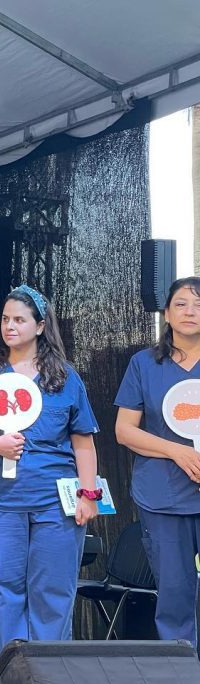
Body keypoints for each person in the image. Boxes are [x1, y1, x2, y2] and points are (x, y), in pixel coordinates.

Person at [0, 285, 100, 651]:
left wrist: (88, 494)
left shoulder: (65, 378)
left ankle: (52, 680)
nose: (10, 326)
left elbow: (83, 442)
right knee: (7, 589)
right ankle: (13, 680)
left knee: (52, 590)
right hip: (0, 504)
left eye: (19, 319)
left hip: (54, 503)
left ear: (40, 325)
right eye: (5, 319)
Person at [115, 276, 200, 647]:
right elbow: (125, 431)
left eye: (198, 304)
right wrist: (177, 451)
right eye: (181, 303)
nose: (190, 311)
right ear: (166, 313)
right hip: (164, 497)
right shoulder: (144, 364)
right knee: (175, 593)